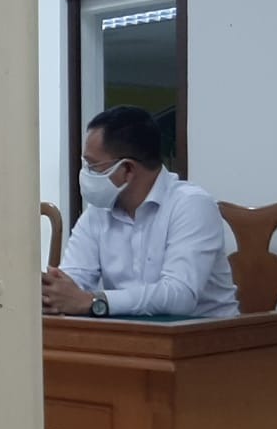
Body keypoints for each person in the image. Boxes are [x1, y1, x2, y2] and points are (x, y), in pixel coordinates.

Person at [41, 106, 238, 318]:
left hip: (205, 333)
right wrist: (54, 295)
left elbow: (180, 296)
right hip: (129, 332)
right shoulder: (97, 212)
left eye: (93, 166)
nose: (86, 174)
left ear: (127, 169)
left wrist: (95, 302)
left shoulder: (192, 205)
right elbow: (73, 283)